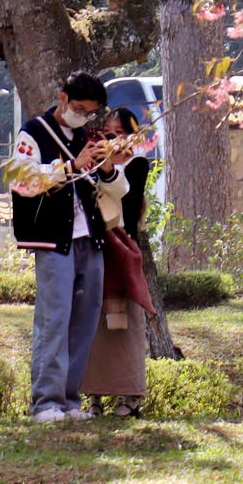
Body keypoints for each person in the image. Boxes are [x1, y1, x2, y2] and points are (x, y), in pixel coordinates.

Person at [10, 71, 123, 424]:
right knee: (53, 319)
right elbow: (22, 180)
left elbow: (119, 190)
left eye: (90, 111)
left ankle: (70, 401)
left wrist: (106, 167)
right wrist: (70, 166)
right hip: (53, 240)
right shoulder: (35, 131)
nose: (83, 115)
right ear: (62, 98)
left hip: (90, 238)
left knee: (84, 321)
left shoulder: (92, 136)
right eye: (78, 107)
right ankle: (45, 402)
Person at [82, 107, 157, 416]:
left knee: (125, 324)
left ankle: (129, 397)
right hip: (96, 247)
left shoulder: (137, 165)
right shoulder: (93, 164)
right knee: (95, 326)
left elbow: (125, 196)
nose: (114, 138)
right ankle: (95, 396)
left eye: (120, 133)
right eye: (109, 132)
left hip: (122, 250)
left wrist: (109, 166)